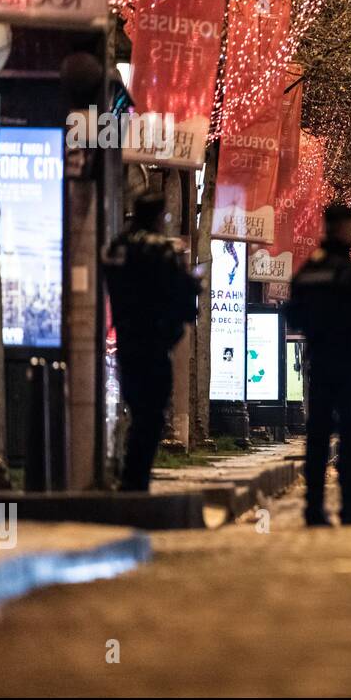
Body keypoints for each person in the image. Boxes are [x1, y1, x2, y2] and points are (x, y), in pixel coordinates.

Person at [287, 204, 351, 526]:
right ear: (346, 229)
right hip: (348, 364)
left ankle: (314, 509)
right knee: (350, 436)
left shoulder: (308, 272)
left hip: (319, 362)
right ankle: (350, 508)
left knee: (317, 436)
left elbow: (292, 315)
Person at [103, 193, 200, 491]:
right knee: (152, 412)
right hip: (154, 341)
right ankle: (136, 478)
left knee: (135, 406)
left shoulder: (118, 247)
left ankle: (125, 471)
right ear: (158, 217)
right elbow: (181, 294)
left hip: (127, 338)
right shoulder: (161, 250)